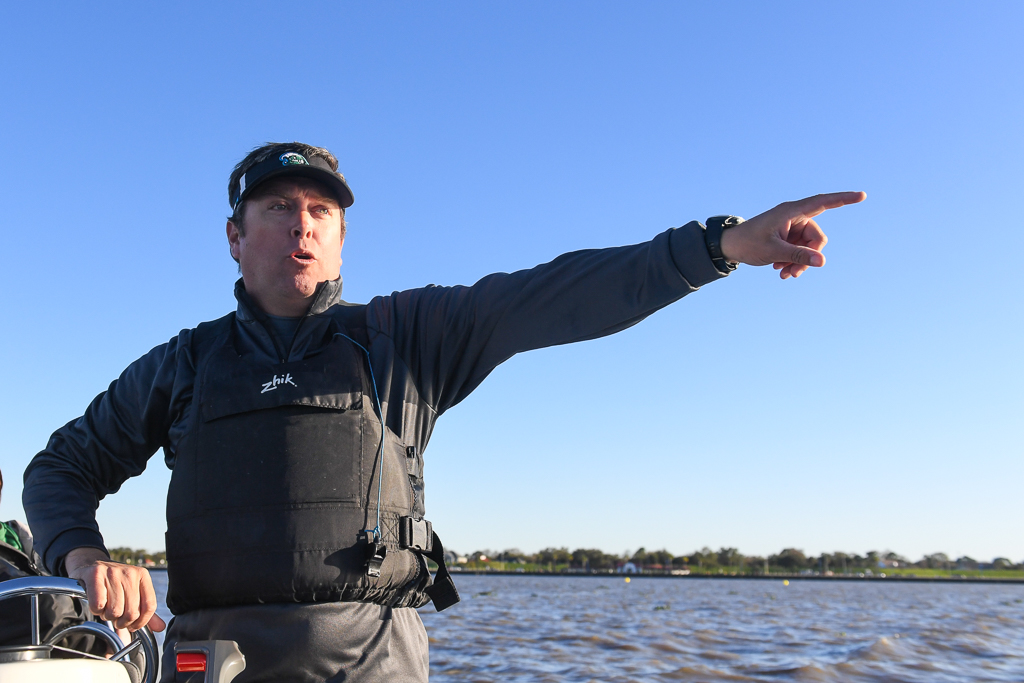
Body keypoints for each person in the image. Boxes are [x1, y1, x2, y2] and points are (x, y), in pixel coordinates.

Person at [22, 141, 865, 682]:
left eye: (321, 211)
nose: (301, 226)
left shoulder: (406, 335)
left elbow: (553, 294)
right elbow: (59, 467)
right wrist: (84, 552)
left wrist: (717, 246)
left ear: (343, 237)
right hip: (213, 659)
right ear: (235, 237)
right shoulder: (184, 362)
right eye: (277, 208)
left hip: (371, 660)